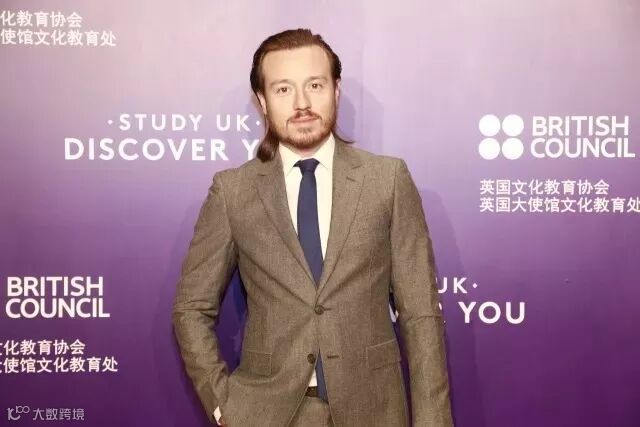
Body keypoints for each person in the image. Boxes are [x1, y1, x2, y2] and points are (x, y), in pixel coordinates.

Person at [172, 28, 453, 426]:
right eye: (283, 89)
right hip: (265, 413)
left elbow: (421, 315)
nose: (301, 103)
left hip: (374, 411)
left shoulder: (387, 180)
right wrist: (225, 407)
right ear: (262, 101)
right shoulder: (232, 192)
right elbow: (191, 309)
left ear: (336, 91)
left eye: (315, 85)